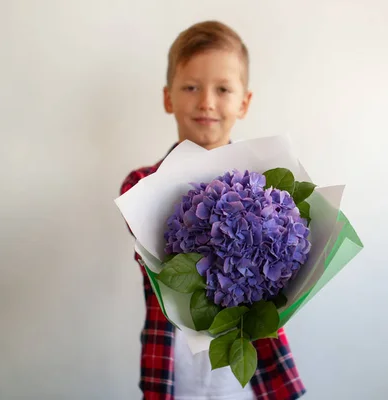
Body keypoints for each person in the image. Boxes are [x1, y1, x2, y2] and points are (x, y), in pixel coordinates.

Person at [120, 20, 306, 400]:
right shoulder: (141, 185)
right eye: (191, 87)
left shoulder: (266, 189)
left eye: (222, 89)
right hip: (175, 357)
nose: (206, 101)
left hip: (246, 353)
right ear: (168, 97)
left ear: (244, 102)